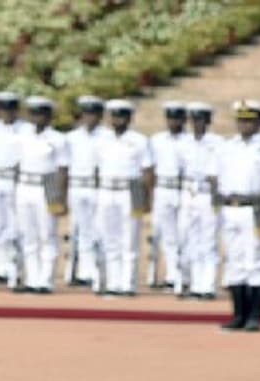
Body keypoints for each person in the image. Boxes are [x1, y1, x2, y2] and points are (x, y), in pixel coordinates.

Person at [215, 100, 260, 331]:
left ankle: (255, 315)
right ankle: (238, 314)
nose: (245, 125)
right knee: (235, 261)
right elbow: (217, 179)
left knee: (257, 261)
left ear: (259, 122)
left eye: (250, 120)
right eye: (241, 120)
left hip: (258, 209)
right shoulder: (227, 146)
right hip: (231, 207)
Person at [94, 99, 153, 296]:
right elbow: (96, 168)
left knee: (129, 239)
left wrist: (146, 199)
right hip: (106, 189)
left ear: (129, 118)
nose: (117, 120)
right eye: (114, 116)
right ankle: (113, 283)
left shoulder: (139, 140)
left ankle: (128, 284)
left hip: (130, 190)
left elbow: (147, 171)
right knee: (109, 239)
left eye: (122, 116)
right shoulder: (102, 139)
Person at [14, 96, 69, 294]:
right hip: (24, 185)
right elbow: (16, 164)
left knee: (47, 234)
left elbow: (63, 170)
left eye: (42, 114)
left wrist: (61, 197)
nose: (37, 118)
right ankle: (32, 278)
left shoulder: (58, 139)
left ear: (49, 116)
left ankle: (45, 279)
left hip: (47, 186)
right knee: (28, 235)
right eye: (34, 114)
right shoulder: (22, 135)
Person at [176, 102, 223, 300]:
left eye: (201, 120)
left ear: (208, 121)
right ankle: (195, 284)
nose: (197, 124)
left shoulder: (218, 143)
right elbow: (180, 171)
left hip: (208, 193)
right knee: (188, 239)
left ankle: (208, 286)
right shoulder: (183, 143)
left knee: (209, 241)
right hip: (188, 193)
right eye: (194, 120)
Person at [0, 91, 29, 283]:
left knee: (16, 226)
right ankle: (1, 268)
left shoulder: (26, 129)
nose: (6, 112)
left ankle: (16, 268)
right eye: (2, 108)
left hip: (16, 179)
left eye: (10, 108)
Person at [66, 95, 105, 287]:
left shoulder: (106, 136)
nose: (90, 118)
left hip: (96, 187)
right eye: (86, 114)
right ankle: (77, 270)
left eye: (94, 114)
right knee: (76, 229)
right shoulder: (71, 138)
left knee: (95, 229)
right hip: (76, 185)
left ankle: (92, 270)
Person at [149, 102, 187, 290]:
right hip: (163, 188)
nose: (174, 122)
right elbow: (151, 168)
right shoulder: (157, 140)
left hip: (184, 190)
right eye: (170, 118)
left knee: (183, 234)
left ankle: (183, 274)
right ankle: (171, 274)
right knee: (166, 235)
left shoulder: (189, 141)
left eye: (177, 119)